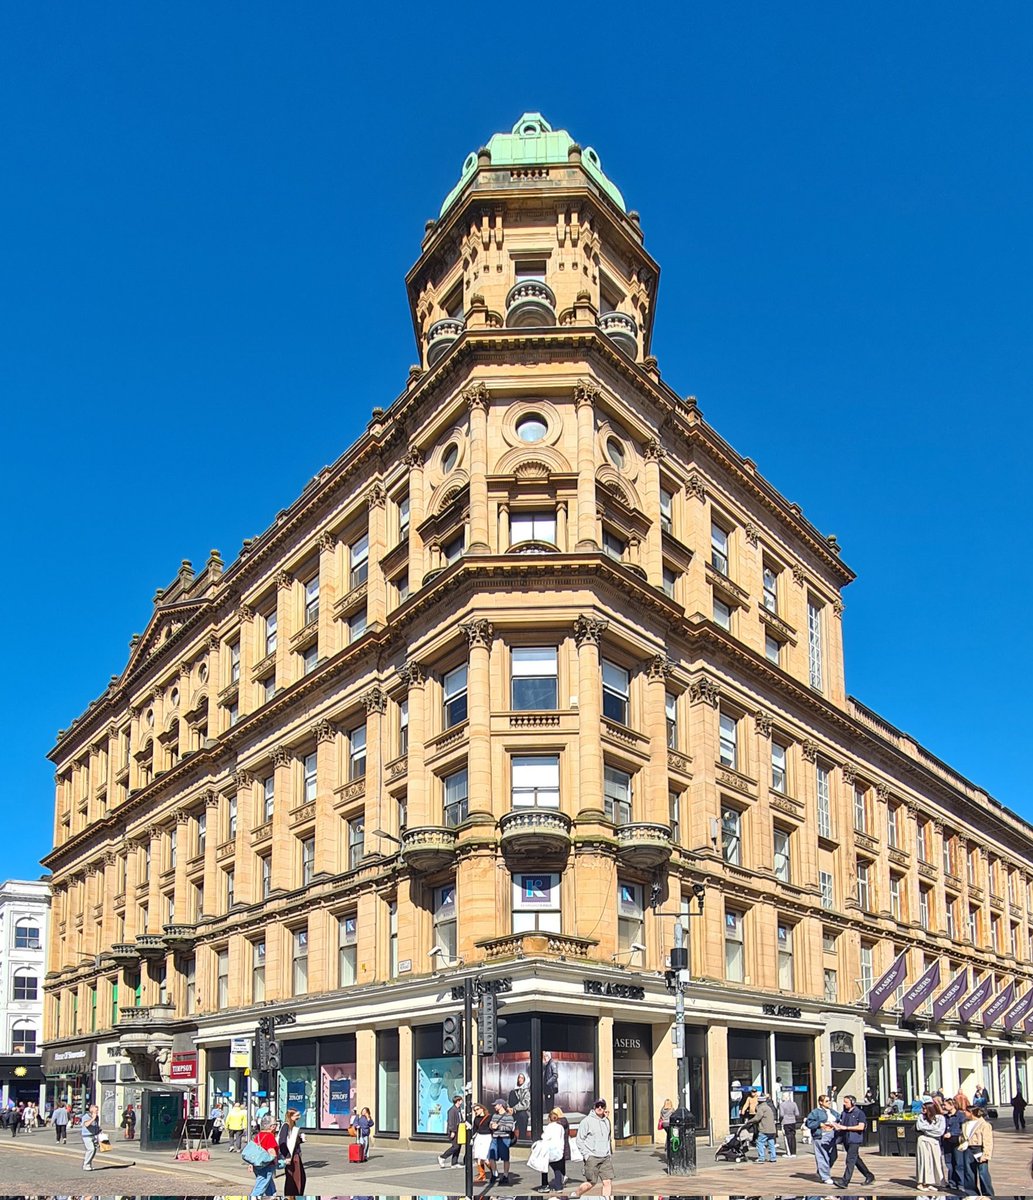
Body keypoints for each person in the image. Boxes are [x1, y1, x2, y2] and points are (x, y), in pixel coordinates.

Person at [573, 1098, 613, 1199]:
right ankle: (576, 1194)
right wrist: (586, 1155)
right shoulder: (586, 1121)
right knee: (591, 1183)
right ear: (594, 1107)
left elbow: (608, 1138)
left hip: (605, 1157)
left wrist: (609, 1153)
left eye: (602, 1106)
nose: (600, 1108)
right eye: (597, 1106)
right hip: (592, 1157)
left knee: (607, 1182)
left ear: (605, 1108)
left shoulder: (607, 1121)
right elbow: (579, 1140)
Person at [833, 1094, 875, 1188]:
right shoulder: (844, 1113)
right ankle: (869, 1175)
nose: (844, 1104)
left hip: (854, 1139)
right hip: (846, 1139)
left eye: (846, 1102)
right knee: (856, 1159)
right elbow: (841, 1124)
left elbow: (861, 1127)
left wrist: (846, 1127)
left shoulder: (859, 1113)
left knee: (850, 1160)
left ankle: (845, 1181)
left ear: (852, 1103)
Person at [805, 1094, 840, 1185]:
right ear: (821, 1102)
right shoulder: (816, 1112)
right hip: (821, 1136)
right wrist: (819, 1124)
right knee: (822, 1155)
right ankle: (825, 1176)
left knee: (833, 1155)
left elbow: (839, 1118)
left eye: (829, 1101)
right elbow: (809, 1123)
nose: (829, 1103)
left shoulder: (832, 1111)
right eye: (827, 1101)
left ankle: (821, 1171)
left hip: (832, 1136)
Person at [915, 1101, 947, 1191]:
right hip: (923, 1141)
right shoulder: (921, 1117)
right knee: (924, 1162)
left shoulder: (940, 1118)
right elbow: (919, 1127)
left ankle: (930, 1182)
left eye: (924, 1108)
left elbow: (939, 1131)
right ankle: (921, 1183)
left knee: (935, 1162)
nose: (922, 1110)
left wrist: (927, 1129)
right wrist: (931, 1129)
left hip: (934, 1142)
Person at [537, 1106, 570, 1195]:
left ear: (549, 1119)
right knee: (557, 1169)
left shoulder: (549, 1127)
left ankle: (545, 1186)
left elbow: (544, 1137)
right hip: (558, 1151)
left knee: (544, 1168)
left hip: (549, 1151)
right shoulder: (560, 1127)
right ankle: (559, 1187)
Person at [962, 1106, 994, 1196]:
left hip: (979, 1149)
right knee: (969, 1172)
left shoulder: (984, 1125)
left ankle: (987, 1194)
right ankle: (971, 1193)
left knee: (983, 1173)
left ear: (971, 1113)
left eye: (966, 1111)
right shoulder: (965, 1123)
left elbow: (988, 1141)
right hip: (968, 1149)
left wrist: (986, 1154)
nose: (964, 1112)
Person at [247, 1113, 279, 1199]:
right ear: (272, 1126)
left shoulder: (258, 1136)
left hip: (257, 1164)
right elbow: (271, 1151)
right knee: (260, 1187)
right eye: (276, 1124)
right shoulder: (270, 1136)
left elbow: (253, 1151)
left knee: (269, 1185)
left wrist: (251, 1164)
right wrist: (277, 1161)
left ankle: (273, 1196)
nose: (276, 1126)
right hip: (267, 1165)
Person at [941, 1097, 969, 1192]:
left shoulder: (960, 1116)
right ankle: (952, 1182)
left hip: (957, 1142)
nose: (943, 1106)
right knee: (949, 1163)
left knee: (959, 1163)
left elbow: (964, 1129)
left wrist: (952, 1133)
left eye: (945, 1104)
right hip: (947, 1143)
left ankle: (961, 1183)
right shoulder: (945, 1117)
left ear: (952, 1105)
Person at [278, 1106, 306, 1196]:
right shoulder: (286, 1126)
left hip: (295, 1155)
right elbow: (282, 1141)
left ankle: (295, 1194)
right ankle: (294, 1195)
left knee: (298, 1178)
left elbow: (291, 1141)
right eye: (296, 1115)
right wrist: (287, 1155)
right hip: (292, 1156)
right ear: (291, 1116)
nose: (299, 1117)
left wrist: (301, 1140)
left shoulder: (292, 1126)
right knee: (294, 1179)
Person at [489, 1099, 516, 1184]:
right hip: (495, 1138)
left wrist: (498, 1126)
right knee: (491, 1156)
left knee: (505, 1158)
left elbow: (509, 1128)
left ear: (501, 1105)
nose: (494, 1107)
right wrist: (491, 1126)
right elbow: (490, 1124)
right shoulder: (494, 1116)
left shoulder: (509, 1117)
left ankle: (505, 1175)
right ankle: (494, 1174)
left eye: (496, 1105)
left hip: (504, 1138)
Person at [438, 1094, 465, 1169]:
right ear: (458, 1101)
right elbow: (451, 1122)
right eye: (461, 1100)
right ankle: (442, 1157)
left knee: (458, 1146)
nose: (462, 1102)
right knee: (455, 1146)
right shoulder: (452, 1110)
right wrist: (452, 1131)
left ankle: (454, 1163)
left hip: (459, 1131)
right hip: (454, 1131)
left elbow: (460, 1119)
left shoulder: (458, 1109)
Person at [751, 1092, 777, 1163]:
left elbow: (757, 1118)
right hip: (772, 1129)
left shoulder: (761, 1108)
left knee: (759, 1142)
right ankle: (773, 1157)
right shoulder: (768, 1107)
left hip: (764, 1129)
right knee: (771, 1142)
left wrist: (749, 1121)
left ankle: (761, 1158)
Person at [471, 1102, 493, 1182]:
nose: (476, 1111)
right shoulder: (476, 1118)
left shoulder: (489, 1117)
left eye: (477, 1109)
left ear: (482, 1109)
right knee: (478, 1157)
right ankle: (482, 1174)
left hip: (487, 1137)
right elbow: (475, 1129)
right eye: (474, 1110)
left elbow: (492, 1128)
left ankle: (494, 1172)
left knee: (485, 1158)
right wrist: (471, 1137)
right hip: (479, 1137)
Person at [510, 1072, 531, 1140]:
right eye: (519, 1077)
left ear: (524, 1080)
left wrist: (514, 1108)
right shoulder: (514, 1090)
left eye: (522, 1078)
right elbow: (509, 1101)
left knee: (523, 1116)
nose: (520, 1079)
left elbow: (525, 1104)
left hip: (522, 1111)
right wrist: (509, 1108)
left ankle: (522, 1137)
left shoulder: (526, 1091)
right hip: (513, 1111)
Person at [778, 1090, 800, 1158]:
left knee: (787, 1137)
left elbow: (781, 1114)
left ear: (784, 1097)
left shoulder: (782, 1105)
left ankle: (789, 1153)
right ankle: (794, 1152)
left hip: (785, 1122)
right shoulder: (794, 1104)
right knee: (793, 1137)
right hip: (793, 1121)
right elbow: (797, 1113)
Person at [81, 1103, 102, 1172]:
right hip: (87, 1135)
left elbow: (96, 1126)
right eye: (96, 1111)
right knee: (91, 1149)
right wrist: (93, 1118)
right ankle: (85, 1165)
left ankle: (89, 1164)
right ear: (91, 1110)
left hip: (94, 1135)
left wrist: (99, 1132)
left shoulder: (97, 1117)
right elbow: (86, 1124)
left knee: (94, 1150)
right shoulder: (86, 1116)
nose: (97, 1112)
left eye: (97, 1111)